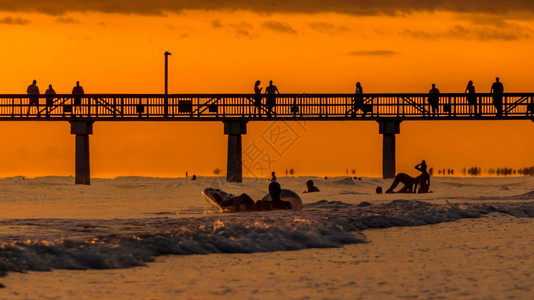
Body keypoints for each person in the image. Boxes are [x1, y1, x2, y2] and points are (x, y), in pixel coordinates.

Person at [212, 182, 291, 211]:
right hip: (255, 209)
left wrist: (268, 206)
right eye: (271, 191)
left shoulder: (286, 204)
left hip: (255, 212)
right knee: (244, 196)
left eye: (274, 190)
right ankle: (229, 202)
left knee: (244, 196)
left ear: (279, 191)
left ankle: (225, 203)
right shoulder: (267, 201)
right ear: (269, 192)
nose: (273, 193)